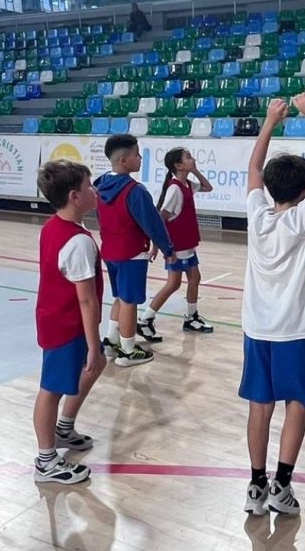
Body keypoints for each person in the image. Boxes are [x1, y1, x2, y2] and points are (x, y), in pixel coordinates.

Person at [240, 92, 305, 516]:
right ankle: (282, 484)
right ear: (304, 192)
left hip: (256, 329)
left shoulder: (256, 214)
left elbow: (253, 169)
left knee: (259, 406)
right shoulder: (301, 220)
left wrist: (270, 120)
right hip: (293, 332)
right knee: (297, 404)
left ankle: (256, 485)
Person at [33, 160, 106, 485]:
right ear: (75, 196)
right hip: (66, 326)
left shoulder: (53, 226)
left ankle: (64, 428)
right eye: (90, 186)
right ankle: (46, 461)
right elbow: (86, 300)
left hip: (56, 319)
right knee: (50, 391)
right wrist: (92, 344)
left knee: (99, 362)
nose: (95, 190)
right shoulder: (78, 243)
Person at [95, 134, 175, 367]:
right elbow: (152, 223)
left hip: (110, 250)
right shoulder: (135, 191)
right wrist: (167, 247)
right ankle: (128, 351)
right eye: (137, 154)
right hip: (131, 253)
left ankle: (112, 341)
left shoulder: (100, 185)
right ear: (124, 160)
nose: (140, 158)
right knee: (130, 301)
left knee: (120, 297)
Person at [138, 147, 215, 338]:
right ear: (178, 165)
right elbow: (160, 219)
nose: (193, 159)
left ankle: (191, 317)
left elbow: (208, 187)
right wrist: (158, 246)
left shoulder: (187, 184)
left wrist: (195, 171)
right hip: (177, 246)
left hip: (188, 244)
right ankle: (145, 319)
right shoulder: (174, 189)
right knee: (173, 284)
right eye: (189, 157)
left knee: (195, 278)